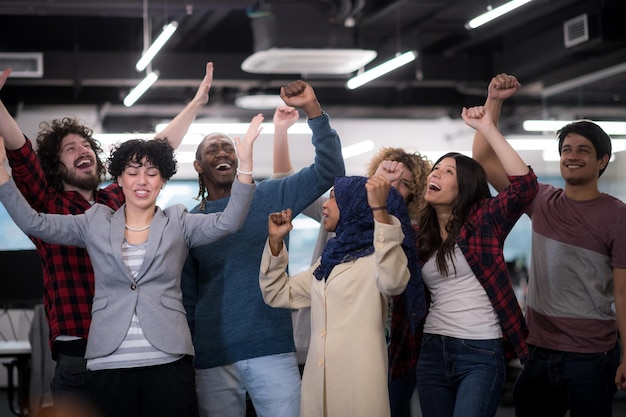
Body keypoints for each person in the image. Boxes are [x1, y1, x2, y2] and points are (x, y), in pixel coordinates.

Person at [0, 112, 260, 416]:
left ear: (162, 180)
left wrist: (247, 167)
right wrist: (3, 178)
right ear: (119, 179)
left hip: (168, 359)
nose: (142, 180)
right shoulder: (94, 220)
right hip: (107, 361)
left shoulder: (178, 219)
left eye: (152, 172)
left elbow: (229, 222)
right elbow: (34, 222)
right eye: (133, 172)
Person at [181, 79, 345, 417]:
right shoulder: (190, 223)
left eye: (228, 146)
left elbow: (330, 171)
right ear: (198, 166)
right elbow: (187, 296)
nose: (222, 152)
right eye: (212, 149)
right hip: (213, 355)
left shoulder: (270, 195)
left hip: (271, 347)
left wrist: (312, 109)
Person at [472, 73, 626, 416]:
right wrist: (493, 101)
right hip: (539, 350)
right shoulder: (540, 199)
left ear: (602, 161)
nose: (572, 156)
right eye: (567, 149)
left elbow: (623, 293)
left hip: (593, 355)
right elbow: (483, 159)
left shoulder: (617, 215)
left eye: (583, 150)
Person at [271, 120, 431, 417]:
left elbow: (394, 280)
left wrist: (381, 210)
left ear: (416, 193)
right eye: (382, 181)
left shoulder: (410, 237)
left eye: (402, 183)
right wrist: (281, 130)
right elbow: (287, 183)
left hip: (394, 347)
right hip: (326, 348)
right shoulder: (337, 233)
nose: (389, 188)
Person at [389, 104, 538, 417]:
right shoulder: (418, 236)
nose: (436, 174)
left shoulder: (485, 222)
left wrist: (487, 128)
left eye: (448, 172)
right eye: (436, 169)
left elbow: (524, 187)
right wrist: (384, 182)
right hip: (432, 351)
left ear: (465, 185)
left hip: (481, 350)